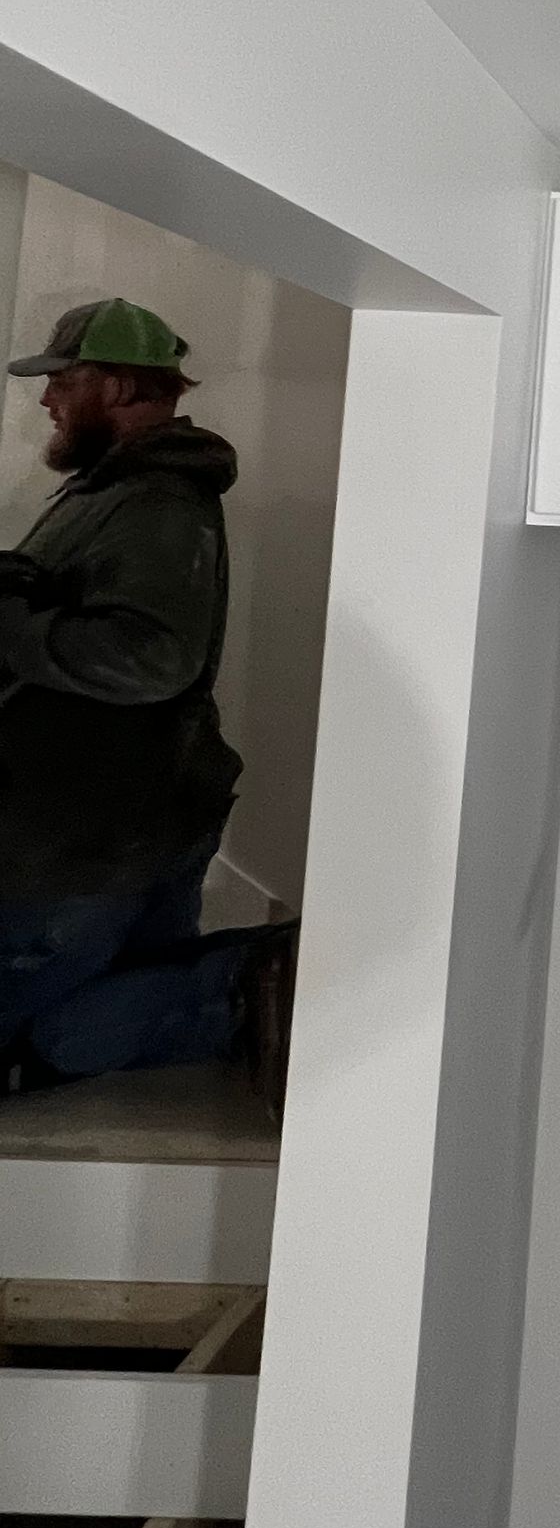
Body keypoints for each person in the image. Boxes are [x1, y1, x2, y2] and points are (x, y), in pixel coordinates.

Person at [0, 297, 292, 1101]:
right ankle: (264, 975)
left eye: (66, 380)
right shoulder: (115, 492)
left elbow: (151, 659)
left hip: (86, 831)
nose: (47, 398)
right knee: (86, 1012)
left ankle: (267, 974)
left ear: (123, 388)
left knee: (40, 1034)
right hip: (113, 819)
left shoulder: (156, 500)